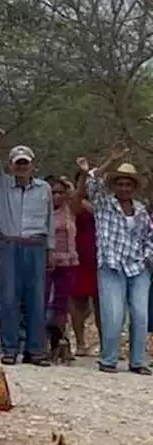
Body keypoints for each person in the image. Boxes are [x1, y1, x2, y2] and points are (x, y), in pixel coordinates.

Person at [81, 147, 153, 374]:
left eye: (128, 184)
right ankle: (109, 359)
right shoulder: (104, 204)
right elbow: (92, 185)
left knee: (140, 314)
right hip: (111, 264)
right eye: (120, 184)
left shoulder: (140, 210)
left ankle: (138, 361)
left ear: (133, 187)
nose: (124, 188)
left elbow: (148, 236)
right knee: (113, 313)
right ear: (115, 186)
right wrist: (110, 161)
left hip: (138, 266)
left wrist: (148, 258)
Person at [0, 135, 54, 366]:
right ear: (12, 165)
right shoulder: (2, 184)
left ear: (32, 165)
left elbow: (49, 219)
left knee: (36, 298)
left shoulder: (44, 188)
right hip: (9, 244)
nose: (22, 167)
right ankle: (9, 348)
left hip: (36, 245)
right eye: (18, 163)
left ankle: (36, 350)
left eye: (25, 163)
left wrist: (50, 249)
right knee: (8, 297)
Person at [47, 177, 80, 358]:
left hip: (69, 264)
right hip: (48, 263)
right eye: (53, 192)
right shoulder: (42, 212)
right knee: (45, 303)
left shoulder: (70, 210)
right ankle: (42, 342)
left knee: (62, 305)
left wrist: (71, 184)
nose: (57, 196)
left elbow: (79, 195)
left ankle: (60, 342)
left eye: (60, 192)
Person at [70, 162, 100, 355]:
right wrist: (82, 177)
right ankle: (80, 343)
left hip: (101, 256)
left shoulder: (106, 202)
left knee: (101, 303)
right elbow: (77, 203)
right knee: (78, 301)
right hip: (80, 255)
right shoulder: (75, 202)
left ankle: (107, 343)